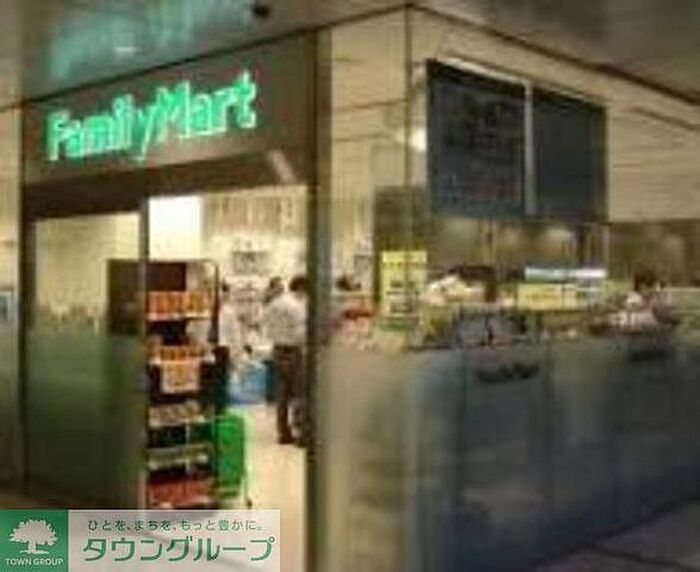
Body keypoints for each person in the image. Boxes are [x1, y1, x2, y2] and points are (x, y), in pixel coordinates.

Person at [265, 275, 308, 445]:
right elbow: (300, 334)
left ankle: (283, 433)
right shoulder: (296, 306)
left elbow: (267, 327)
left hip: (277, 351)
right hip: (293, 352)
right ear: (301, 289)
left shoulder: (273, 304)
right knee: (300, 393)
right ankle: (303, 435)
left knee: (281, 395)